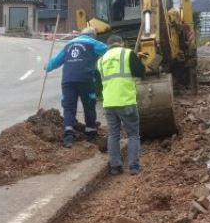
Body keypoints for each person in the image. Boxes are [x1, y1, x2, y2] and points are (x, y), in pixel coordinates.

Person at [45, 26, 108, 148]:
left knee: (68, 106)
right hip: (85, 78)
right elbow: (106, 50)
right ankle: (91, 132)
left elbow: (57, 60)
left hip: (68, 79)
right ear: (92, 35)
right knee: (89, 103)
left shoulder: (69, 44)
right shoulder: (92, 42)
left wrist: (48, 66)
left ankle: (68, 134)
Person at [97, 35, 146, 175]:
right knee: (133, 134)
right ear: (122, 43)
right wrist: (139, 59)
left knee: (113, 135)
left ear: (108, 45)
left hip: (109, 103)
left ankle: (115, 167)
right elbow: (140, 72)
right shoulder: (127, 53)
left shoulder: (101, 60)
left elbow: (98, 82)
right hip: (126, 101)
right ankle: (134, 167)